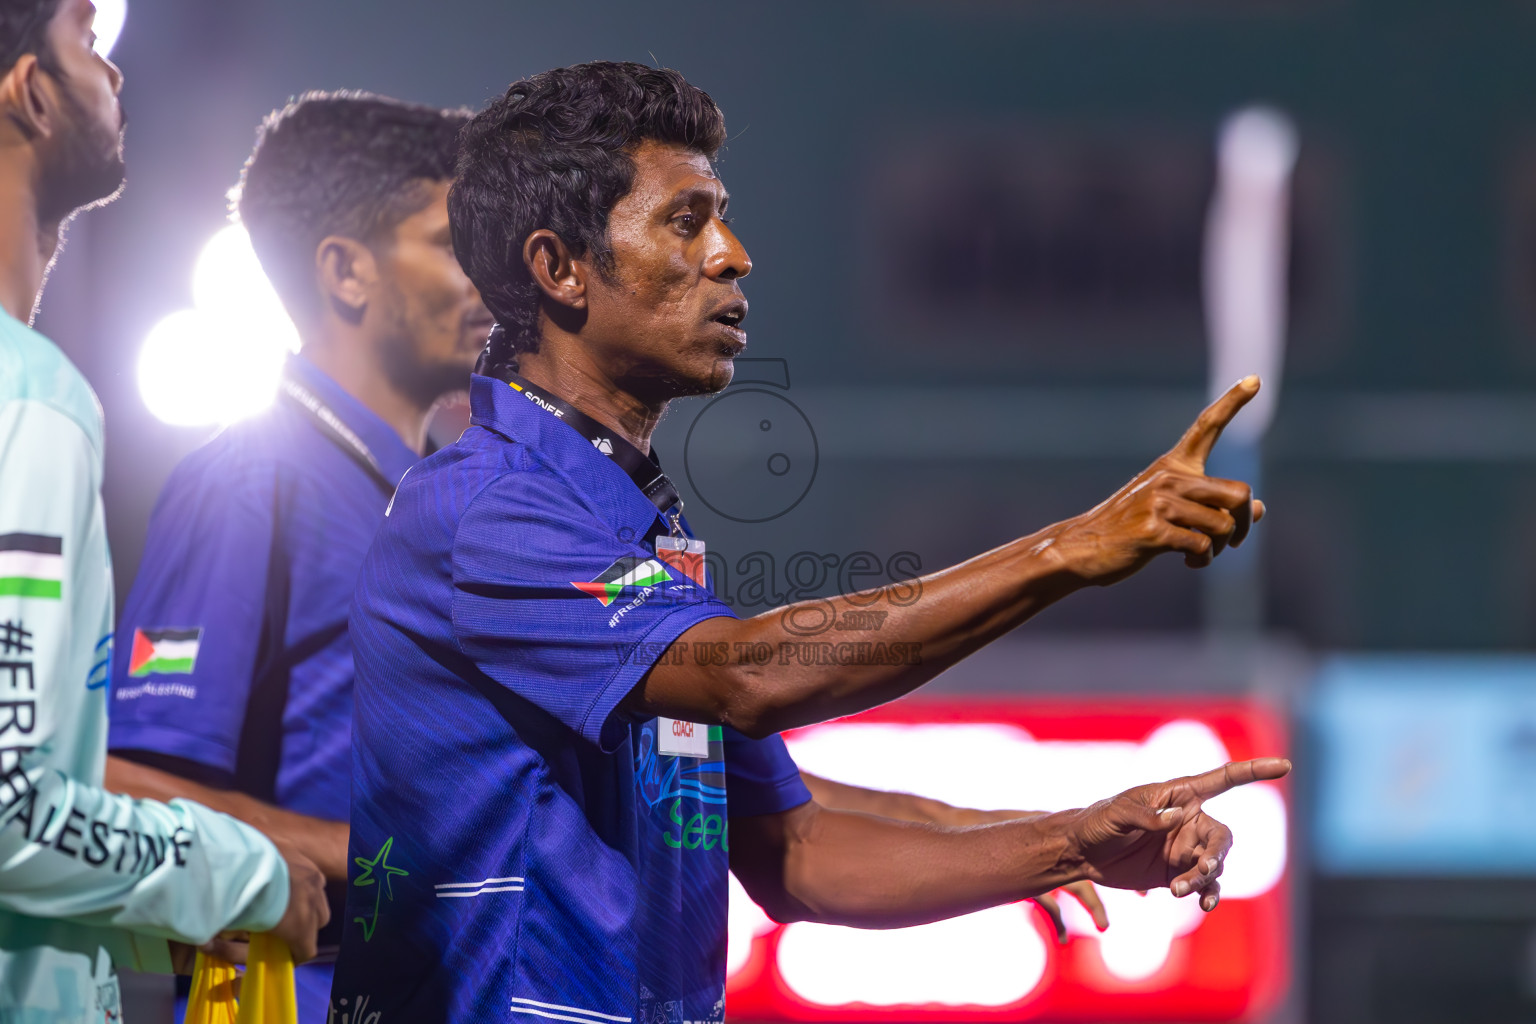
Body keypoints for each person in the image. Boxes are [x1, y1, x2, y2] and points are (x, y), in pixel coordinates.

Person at [328, 61, 1288, 1023]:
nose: (734, 253)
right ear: (561, 267)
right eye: (686, 219)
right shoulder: (487, 506)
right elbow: (753, 676)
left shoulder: (626, 518)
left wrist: (1074, 842)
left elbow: (798, 849)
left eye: (723, 213)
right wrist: (1070, 550)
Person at [101, 91, 488, 1022]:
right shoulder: (249, 476)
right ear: (347, 273)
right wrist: (392, 857)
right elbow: (124, 786)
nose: (488, 276)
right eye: (449, 242)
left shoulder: (445, 497)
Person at [0, 1, 330, 1019]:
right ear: (28, 91)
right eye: (90, 45)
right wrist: (251, 871)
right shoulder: (28, 400)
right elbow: (14, 811)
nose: (117, 76)